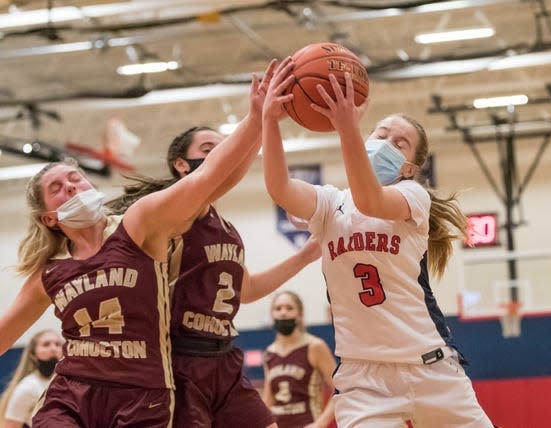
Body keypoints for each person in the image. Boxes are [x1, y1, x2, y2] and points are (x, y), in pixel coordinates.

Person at [0, 58, 282, 428]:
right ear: (49, 218)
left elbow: (207, 180)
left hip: (142, 395)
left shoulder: (138, 225)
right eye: (58, 188)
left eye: (76, 178)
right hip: (73, 392)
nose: (72, 186)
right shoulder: (50, 272)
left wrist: (255, 120)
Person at [261, 68, 494, 427]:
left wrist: (346, 129)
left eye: (399, 143)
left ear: (409, 168)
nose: (386, 143)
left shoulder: (412, 197)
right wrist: (270, 122)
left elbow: (369, 200)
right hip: (364, 379)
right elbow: (279, 187)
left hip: (430, 368)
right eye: (381, 134)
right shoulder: (328, 204)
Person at [105, 94, 321, 426]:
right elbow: (217, 175)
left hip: (223, 355)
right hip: (179, 357)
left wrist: (305, 256)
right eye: (209, 149)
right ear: (180, 164)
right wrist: (260, 121)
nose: (221, 155)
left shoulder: (226, 228)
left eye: (224, 148)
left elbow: (245, 289)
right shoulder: (172, 214)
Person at [263, 291, 336, 428]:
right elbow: (268, 400)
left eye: (289, 308)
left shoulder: (315, 347)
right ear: (272, 316)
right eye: (278, 308)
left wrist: (320, 424)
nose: (283, 313)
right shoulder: (269, 353)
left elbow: (340, 389)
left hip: (308, 422)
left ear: (300, 315)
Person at [0, 329, 63, 428]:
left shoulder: (70, 382)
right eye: (46, 344)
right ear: (33, 354)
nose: (53, 348)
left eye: (58, 344)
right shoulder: (28, 386)